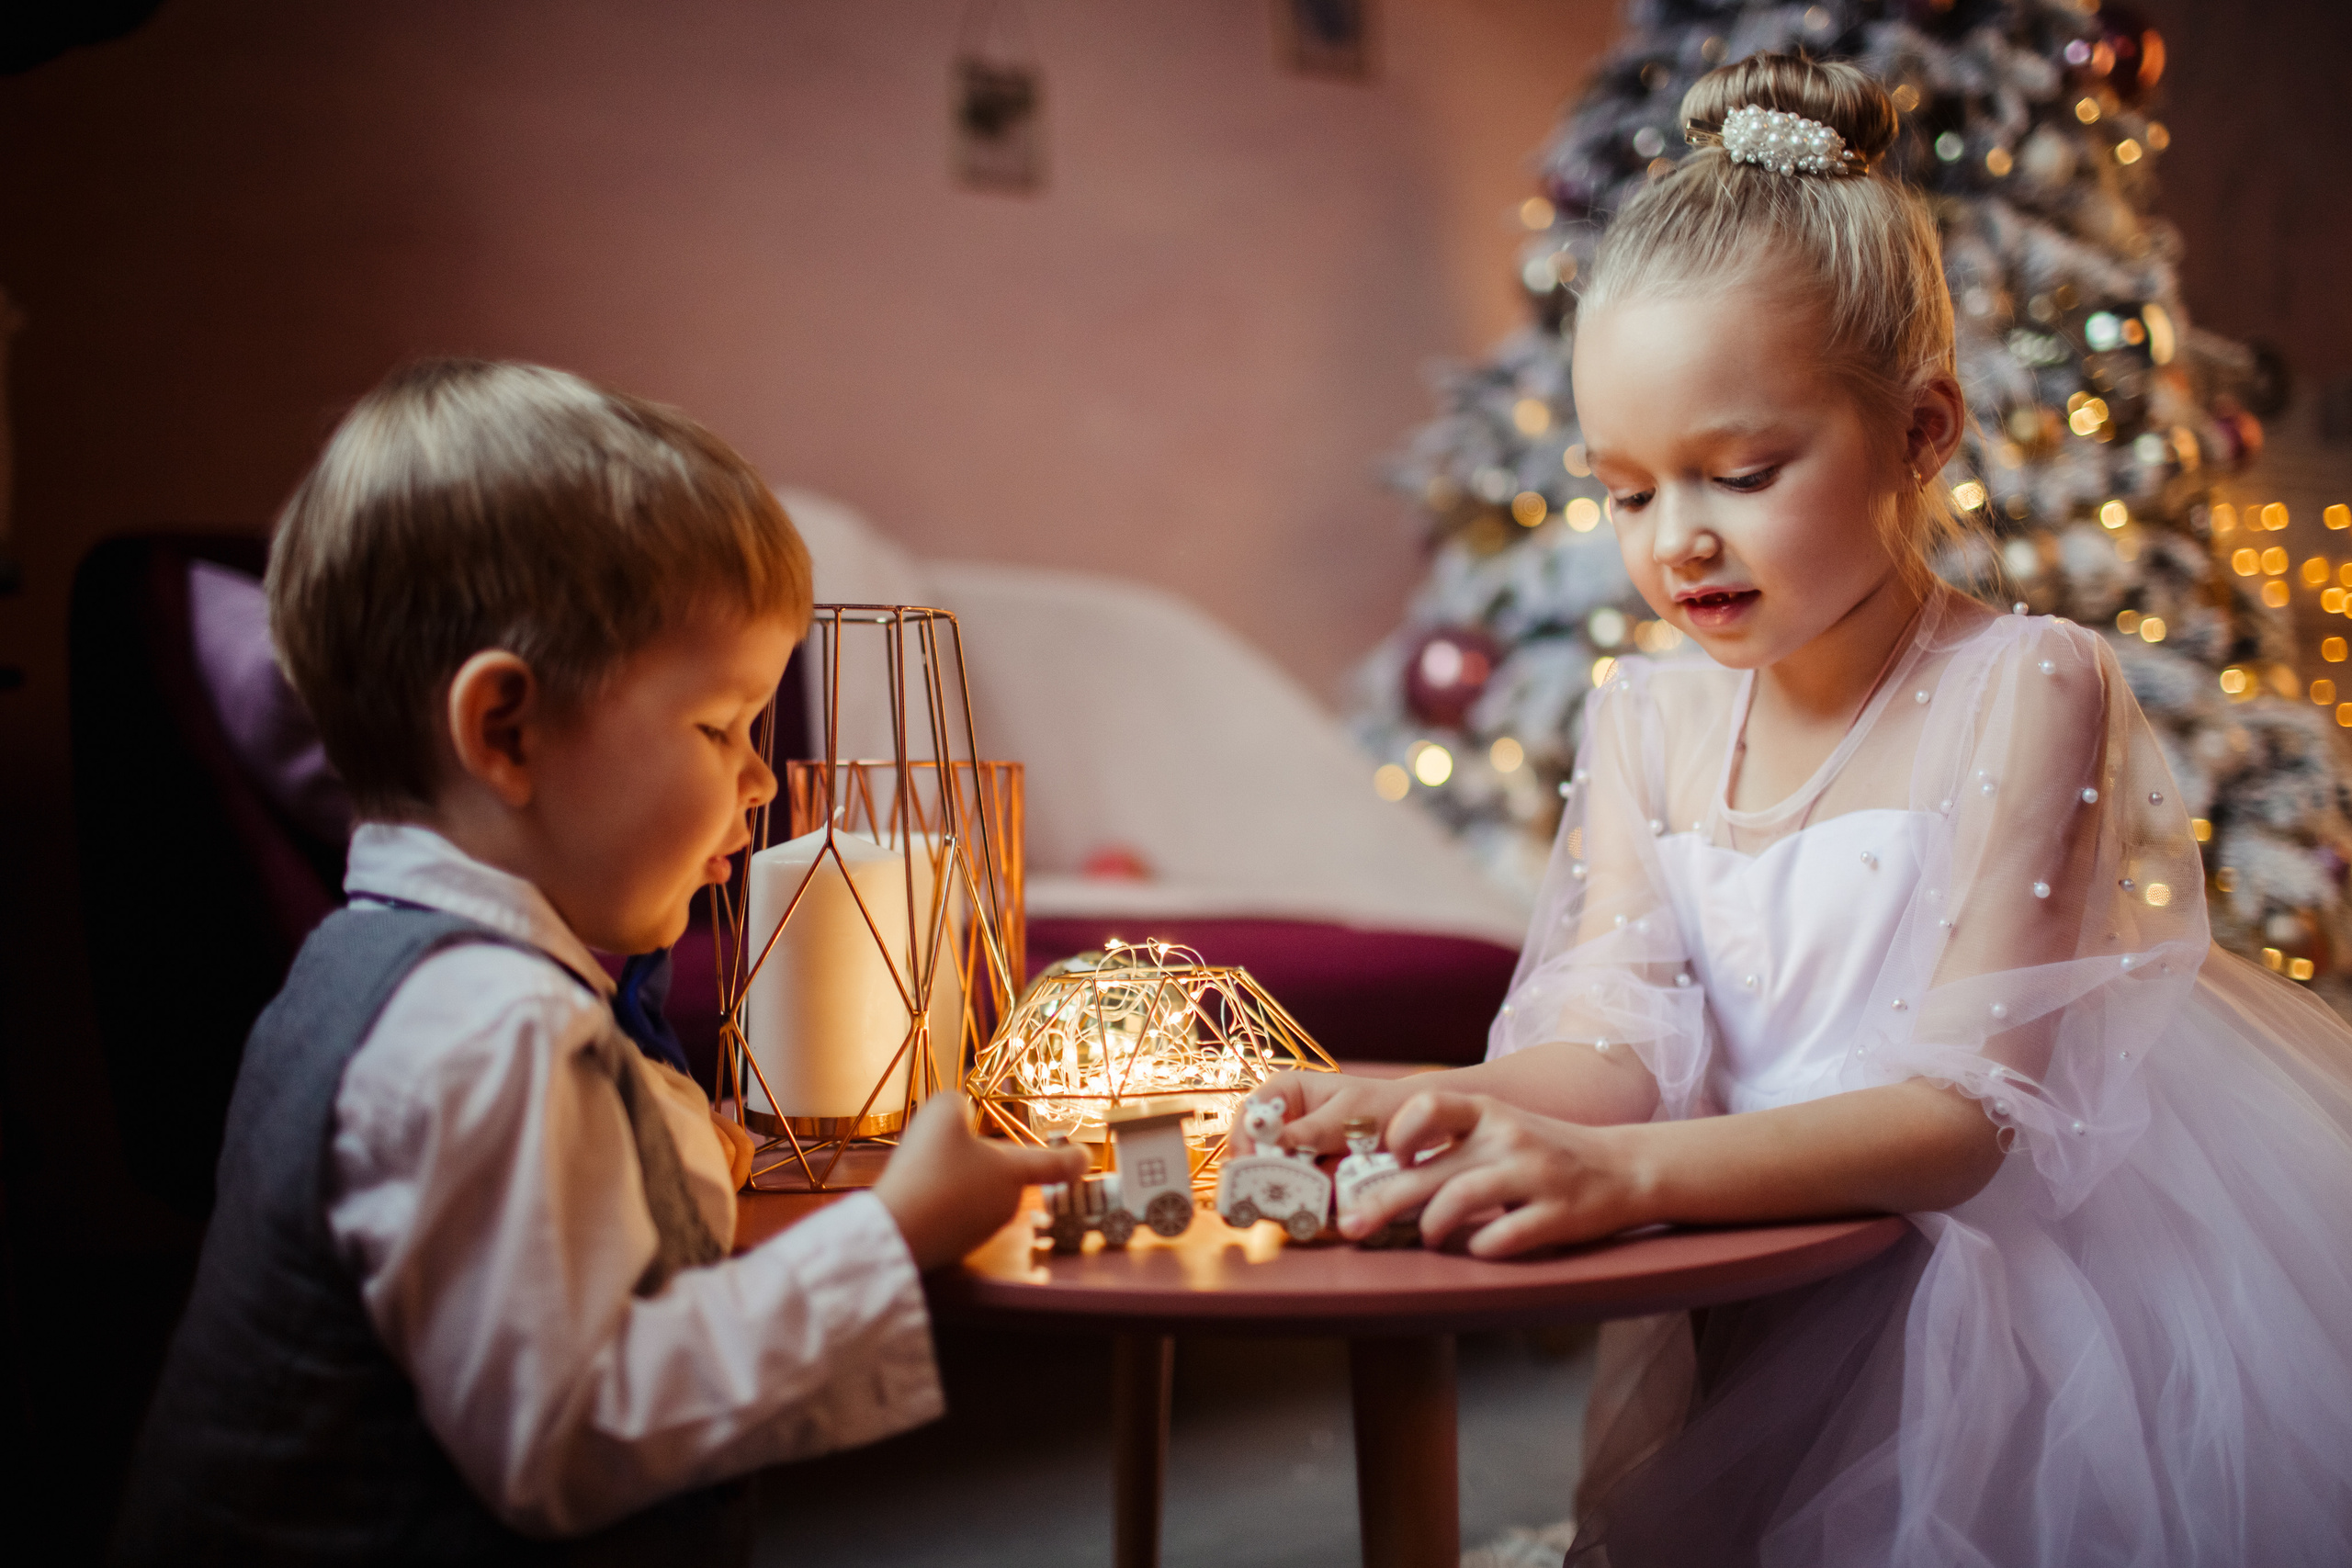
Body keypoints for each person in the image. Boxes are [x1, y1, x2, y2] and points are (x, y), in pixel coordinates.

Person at [1264, 54, 2352, 1566]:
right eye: (1629, 491)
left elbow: (1960, 1117)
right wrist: (1430, 1096)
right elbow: (1607, 1048)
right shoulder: (1645, 715)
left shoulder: (2032, 685)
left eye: (1744, 471)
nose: (1680, 541)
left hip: (1977, 1314)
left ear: (1918, 434)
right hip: (1751, 1282)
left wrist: (1627, 1177)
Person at [111, 359, 1085, 1564]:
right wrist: (895, 1229)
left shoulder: (369, 969)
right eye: (720, 725)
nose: (762, 776)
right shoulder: (490, 1032)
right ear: (505, 732)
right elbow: (574, 1429)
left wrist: (694, 1148)